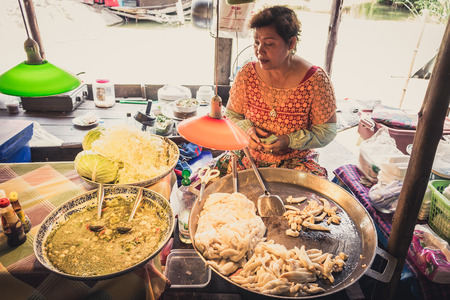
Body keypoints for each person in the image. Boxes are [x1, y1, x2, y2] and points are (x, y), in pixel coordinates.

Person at [219, 5, 337, 179]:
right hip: (248, 155)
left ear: (291, 43)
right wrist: (248, 131)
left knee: (312, 200)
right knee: (213, 187)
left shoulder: (315, 80)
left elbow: (326, 132)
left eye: (269, 44)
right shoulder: (247, 73)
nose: (260, 50)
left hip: (295, 160)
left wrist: (289, 140)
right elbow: (231, 116)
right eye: (256, 42)